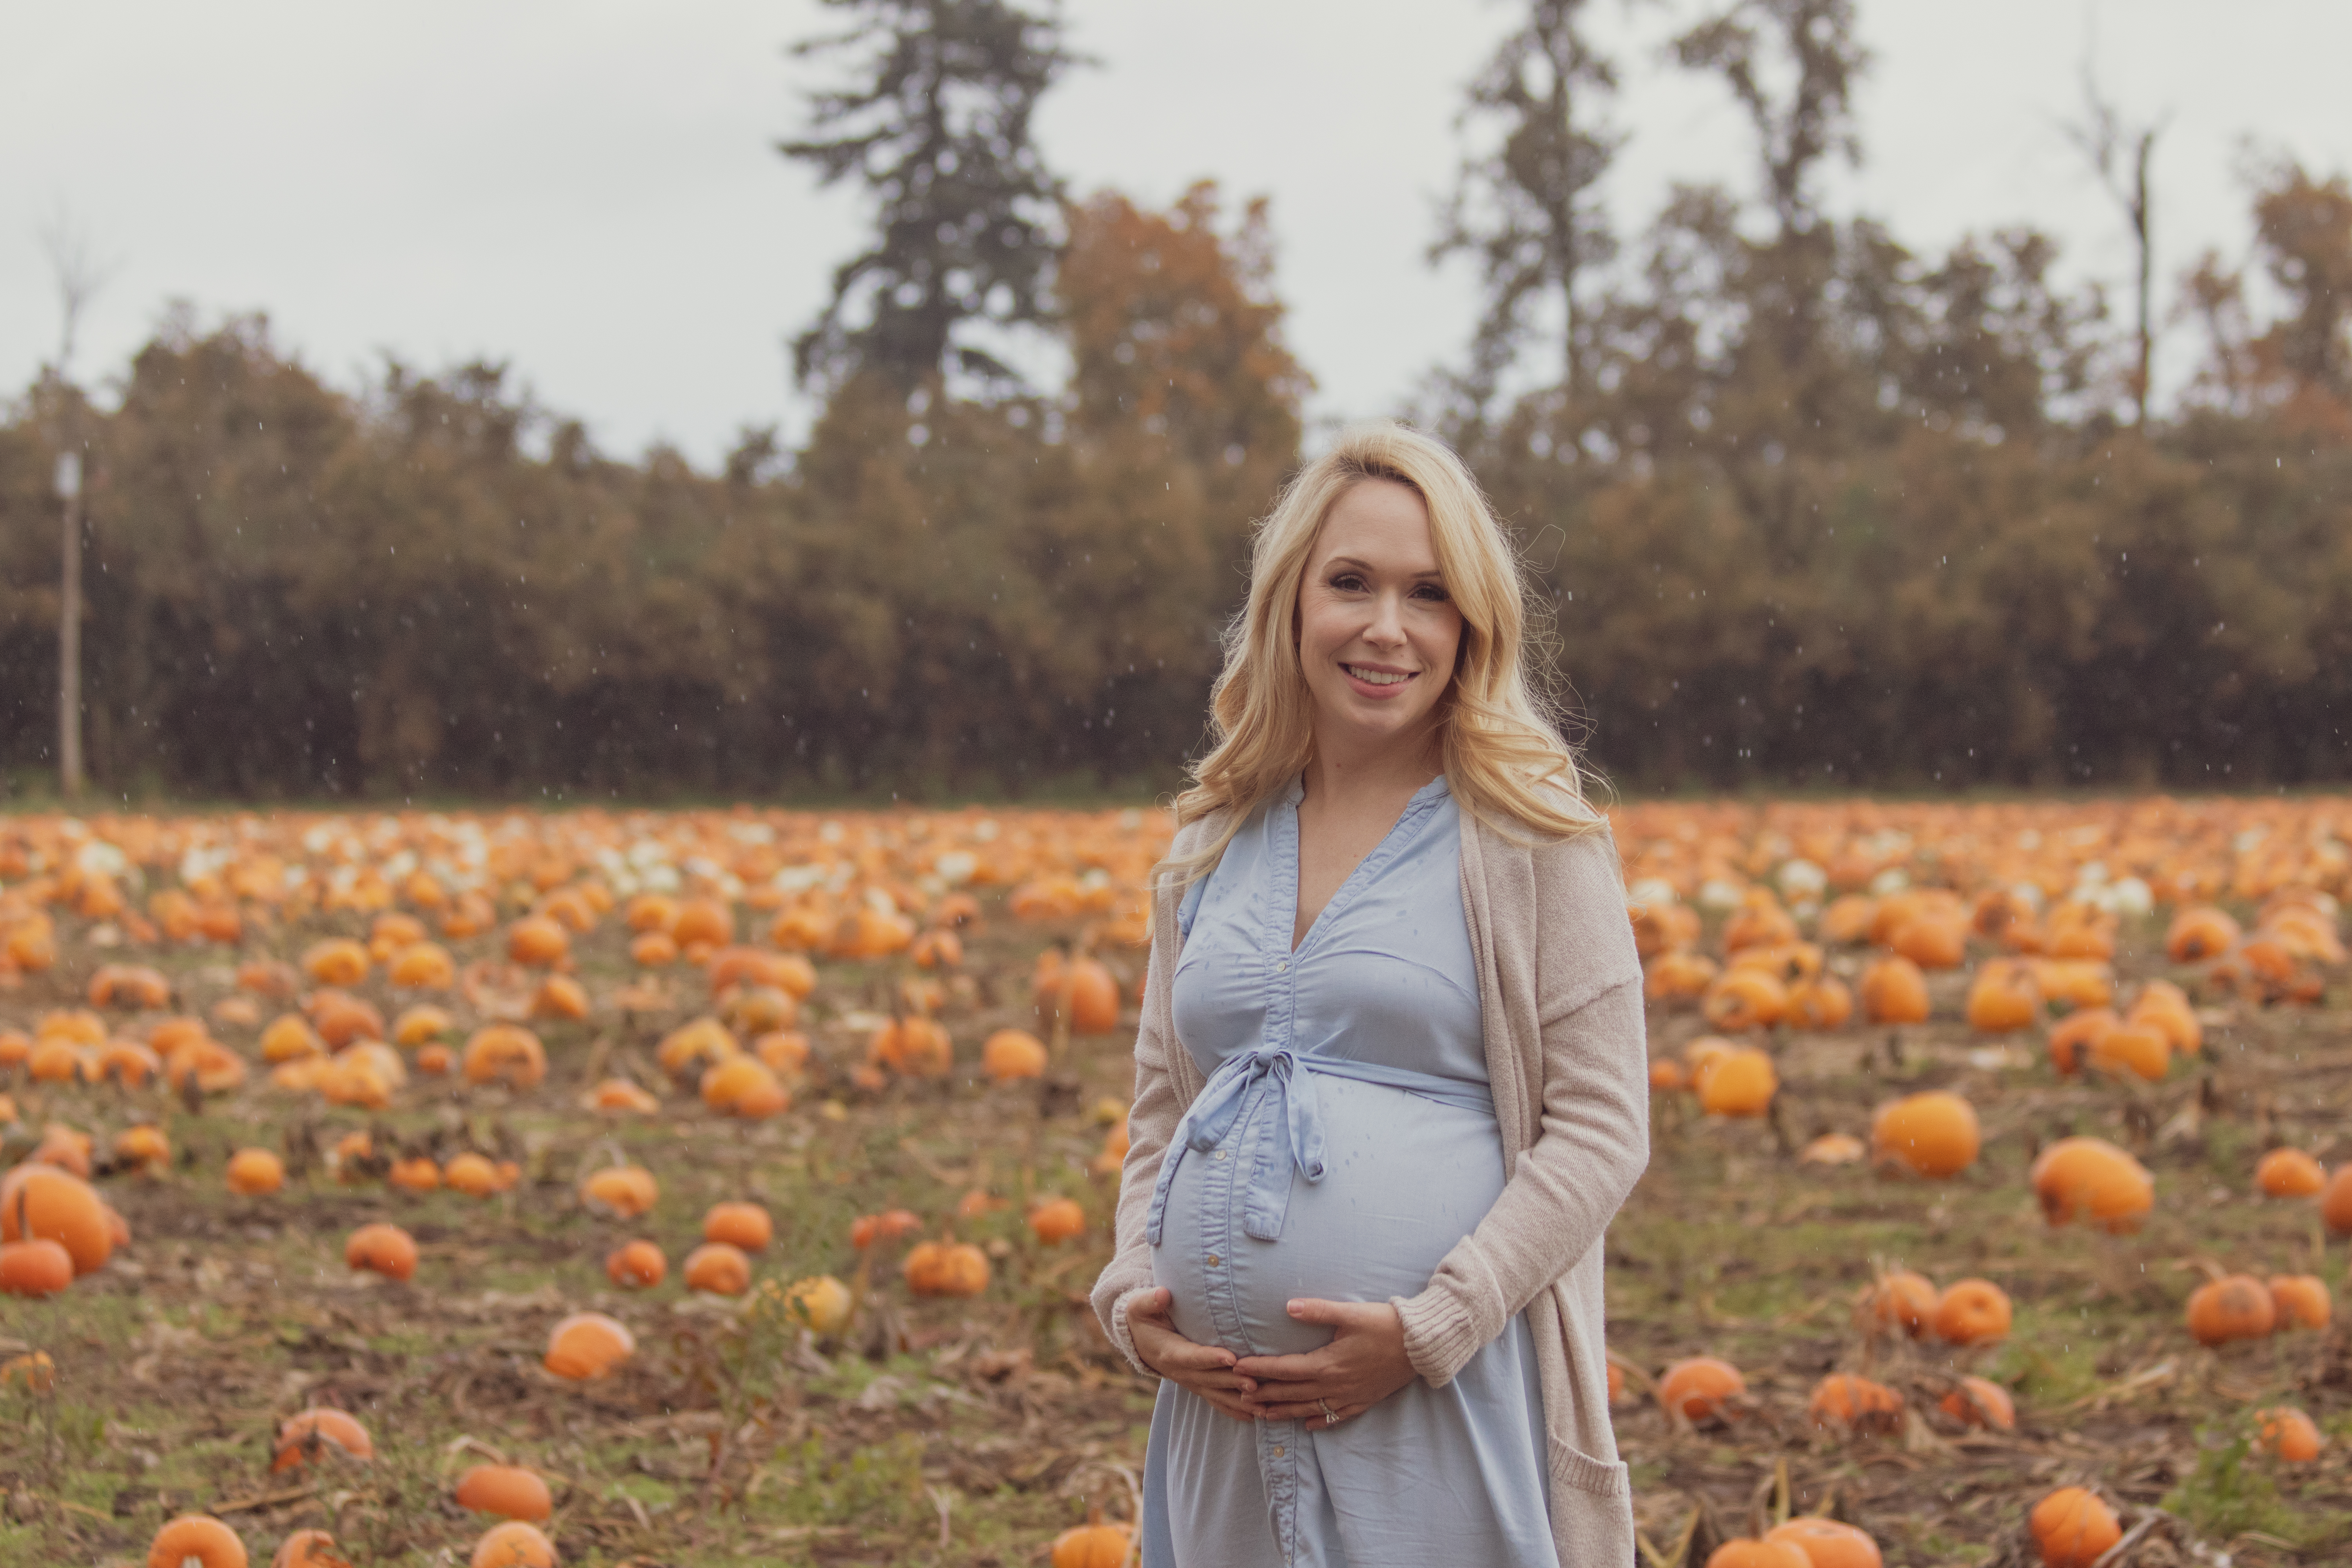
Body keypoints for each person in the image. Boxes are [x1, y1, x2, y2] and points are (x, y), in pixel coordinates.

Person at [1090, 420, 1650, 1566]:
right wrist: (1136, 1293)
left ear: (1471, 626)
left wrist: (1431, 1327)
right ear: (1292, 602)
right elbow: (1161, 1111)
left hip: (1446, 1407)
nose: (1387, 628)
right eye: (1352, 583)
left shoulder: (1534, 839)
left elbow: (1603, 1129)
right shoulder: (1210, 841)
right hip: (1222, 1428)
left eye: (1430, 594)